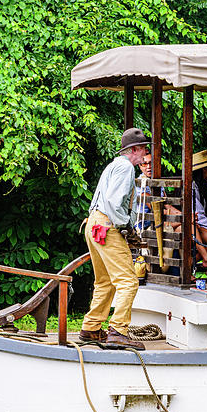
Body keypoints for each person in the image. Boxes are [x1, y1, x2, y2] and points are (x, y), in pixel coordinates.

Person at [80, 127, 149, 350]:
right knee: (128, 281)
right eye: (144, 149)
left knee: (105, 281)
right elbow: (113, 201)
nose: (145, 154)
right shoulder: (126, 168)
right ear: (134, 149)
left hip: (94, 223)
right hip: (108, 225)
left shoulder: (113, 165)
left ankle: (91, 328)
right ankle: (118, 331)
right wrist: (126, 227)